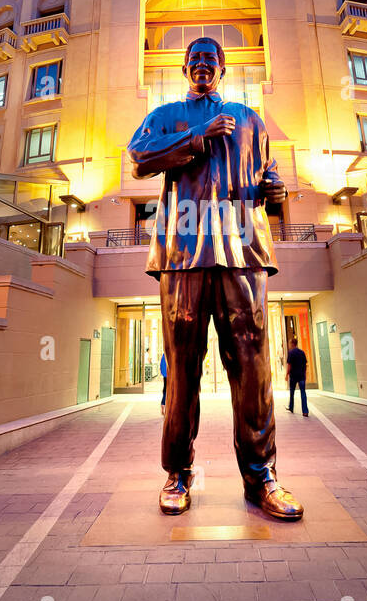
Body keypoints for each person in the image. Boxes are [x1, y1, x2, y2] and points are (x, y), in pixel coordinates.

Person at [128, 36, 303, 521]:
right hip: (184, 252)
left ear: (223, 68)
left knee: (254, 367)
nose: (203, 65)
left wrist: (275, 186)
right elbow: (140, 159)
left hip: (243, 247)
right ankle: (177, 473)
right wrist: (195, 137)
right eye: (195, 59)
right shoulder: (164, 115)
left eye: (212, 59)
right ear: (185, 68)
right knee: (182, 365)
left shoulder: (250, 119)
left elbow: (268, 173)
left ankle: (261, 476)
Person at [285, 337, 308, 417]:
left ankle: (291, 407)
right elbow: (305, 365)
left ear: (292, 344)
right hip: (301, 376)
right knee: (303, 393)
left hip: (293, 376)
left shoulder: (291, 353)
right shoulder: (302, 352)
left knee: (292, 392)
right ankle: (305, 411)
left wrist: (286, 375)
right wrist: (305, 374)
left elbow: (289, 365)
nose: (289, 345)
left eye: (289, 343)